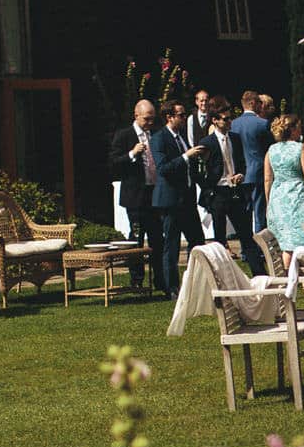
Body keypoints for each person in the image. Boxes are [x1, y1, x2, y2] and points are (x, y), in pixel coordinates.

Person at [149, 97, 209, 297]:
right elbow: (163, 168)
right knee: (172, 245)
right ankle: (172, 287)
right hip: (170, 200)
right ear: (169, 117)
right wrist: (186, 156)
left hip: (186, 199)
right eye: (181, 115)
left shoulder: (182, 136)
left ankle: (200, 283)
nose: (185, 118)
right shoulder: (159, 138)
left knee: (198, 242)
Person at [110, 100, 164, 294]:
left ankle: (160, 278)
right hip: (135, 196)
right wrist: (132, 154)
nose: (150, 122)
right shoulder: (124, 135)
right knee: (137, 238)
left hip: (153, 192)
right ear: (136, 116)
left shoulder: (156, 134)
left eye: (152, 119)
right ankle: (137, 279)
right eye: (146, 119)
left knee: (158, 238)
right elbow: (113, 163)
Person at [202, 98, 261, 268]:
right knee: (220, 240)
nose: (229, 122)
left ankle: (260, 274)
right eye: (225, 119)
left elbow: (241, 162)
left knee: (246, 235)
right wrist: (209, 189)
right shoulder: (208, 143)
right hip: (218, 193)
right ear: (215, 120)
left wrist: (241, 174)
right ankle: (222, 280)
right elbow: (198, 170)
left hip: (235, 191)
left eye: (230, 118)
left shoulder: (235, 138)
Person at [264, 110, 304, 252]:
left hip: (277, 196)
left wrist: (269, 201)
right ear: (293, 129)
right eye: (299, 127)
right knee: (300, 239)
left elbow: (267, 179)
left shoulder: (271, 149)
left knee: (284, 241)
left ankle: (286, 272)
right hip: (297, 195)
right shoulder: (300, 148)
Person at [230, 91, 272, 232]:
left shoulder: (233, 124)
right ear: (253, 103)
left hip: (239, 175)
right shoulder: (262, 124)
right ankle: (260, 249)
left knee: (243, 216)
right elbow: (270, 149)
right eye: (260, 103)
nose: (261, 106)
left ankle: (246, 249)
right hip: (258, 172)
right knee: (260, 214)